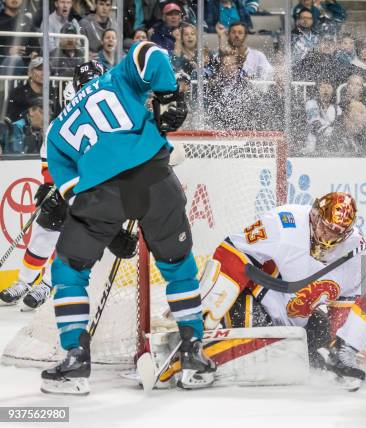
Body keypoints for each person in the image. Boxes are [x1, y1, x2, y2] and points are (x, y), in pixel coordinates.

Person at [41, 41, 214, 395]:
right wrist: (168, 95)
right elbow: (150, 53)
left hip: (101, 194)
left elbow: (73, 186)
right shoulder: (115, 79)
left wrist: (110, 230)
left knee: (68, 271)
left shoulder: (57, 129)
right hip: (156, 178)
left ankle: (76, 357)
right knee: (178, 265)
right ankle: (194, 352)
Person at [194, 192, 366, 390]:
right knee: (263, 352)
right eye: (325, 228)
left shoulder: (354, 253)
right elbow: (231, 249)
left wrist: (340, 349)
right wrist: (210, 302)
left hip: (295, 320)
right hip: (254, 299)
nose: (327, 238)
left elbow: (343, 308)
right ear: (315, 215)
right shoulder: (284, 223)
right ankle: (198, 347)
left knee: (319, 348)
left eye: (336, 233)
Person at [0, 61, 106, 310]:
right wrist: (50, 185)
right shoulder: (67, 109)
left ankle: (47, 285)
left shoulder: (110, 111)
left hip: (93, 189)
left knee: (73, 238)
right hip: (65, 184)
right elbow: (52, 151)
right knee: (43, 232)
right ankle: (24, 282)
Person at [5, 57, 58, 122]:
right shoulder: (17, 93)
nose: (43, 73)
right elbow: (9, 118)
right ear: (29, 72)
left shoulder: (52, 93)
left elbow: (58, 116)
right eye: (39, 69)